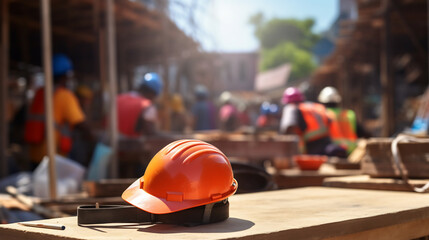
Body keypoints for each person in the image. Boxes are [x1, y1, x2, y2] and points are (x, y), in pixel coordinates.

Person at [24, 54, 93, 168]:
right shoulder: (65, 95)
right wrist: (94, 141)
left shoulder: (39, 93)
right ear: (66, 75)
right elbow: (81, 125)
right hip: (53, 158)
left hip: (34, 156)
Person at [279, 87, 346, 157]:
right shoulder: (317, 107)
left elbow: (288, 130)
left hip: (312, 148)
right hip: (328, 143)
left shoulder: (292, 109)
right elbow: (330, 122)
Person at [318, 86, 368, 155]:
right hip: (352, 151)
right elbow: (362, 133)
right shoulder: (349, 114)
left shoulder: (323, 114)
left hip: (335, 151)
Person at [117, 72, 162, 137]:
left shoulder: (118, 98)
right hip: (128, 146)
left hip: (106, 145)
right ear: (152, 93)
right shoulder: (147, 106)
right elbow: (150, 133)